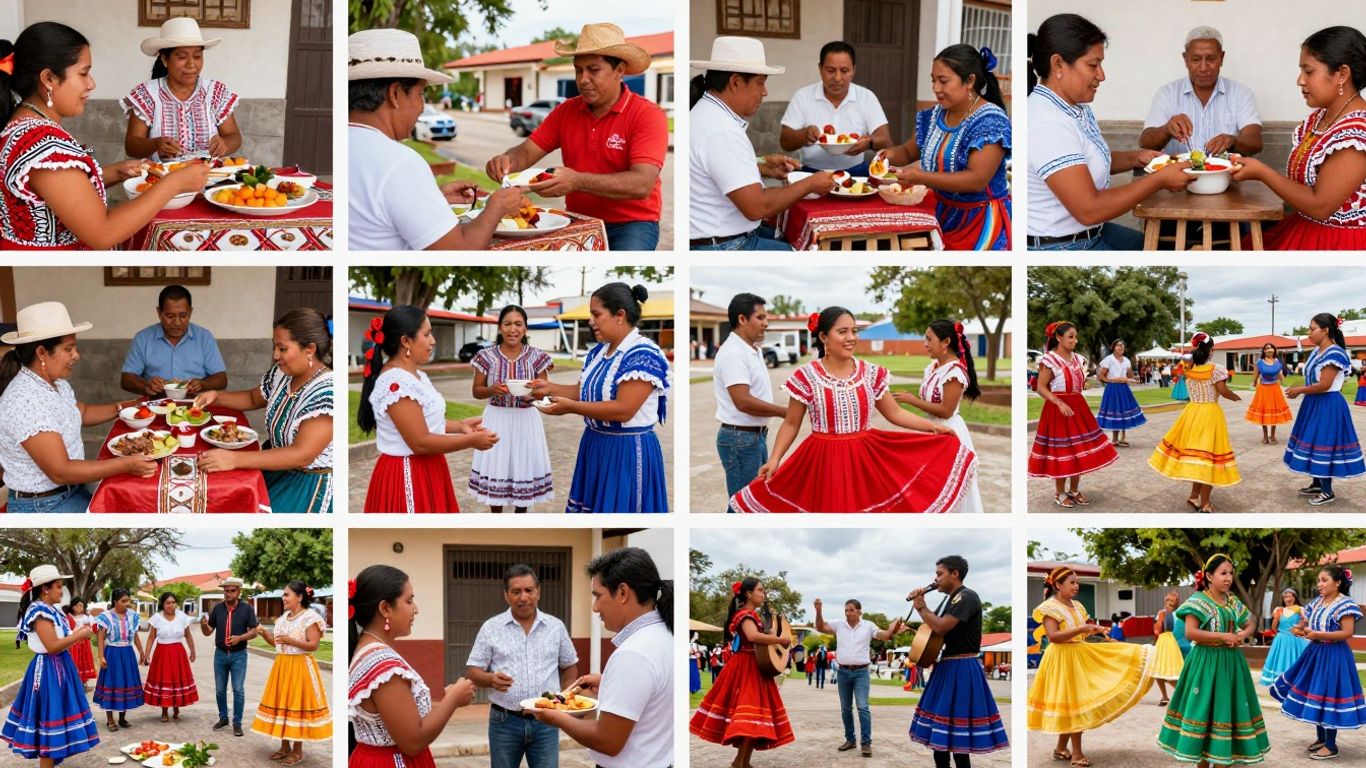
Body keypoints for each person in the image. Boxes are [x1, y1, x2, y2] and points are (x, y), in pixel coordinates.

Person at [730, 307, 974, 512]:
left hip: (865, 460)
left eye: (854, 331)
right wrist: (775, 459)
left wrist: (933, 428)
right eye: (843, 331)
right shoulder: (806, 376)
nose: (851, 337)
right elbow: (792, 423)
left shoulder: (871, 373)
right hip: (822, 461)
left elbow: (895, 413)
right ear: (824, 337)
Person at [0, 23, 210, 249]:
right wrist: (173, 184)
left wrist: (117, 172)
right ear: (49, 78)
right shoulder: (44, 146)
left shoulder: (24, 127)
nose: (91, 83)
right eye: (83, 73)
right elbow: (103, 233)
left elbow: (61, 191)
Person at [486, 23, 667, 251]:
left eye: (593, 70)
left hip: (632, 224)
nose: (583, 79)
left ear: (619, 70)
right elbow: (526, 152)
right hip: (578, 218)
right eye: (578, 70)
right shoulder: (566, 111)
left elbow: (642, 184)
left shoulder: (647, 115)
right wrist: (507, 161)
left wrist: (577, 181)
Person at [1026, 14, 1193, 250]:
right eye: (1093, 65)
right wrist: (1159, 180)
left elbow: (1084, 162)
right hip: (1063, 246)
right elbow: (1089, 210)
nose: (1101, 75)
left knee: (1164, 250)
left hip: (1091, 232)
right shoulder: (1048, 122)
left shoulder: (1074, 107)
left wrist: (1137, 158)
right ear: (1058, 64)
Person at [347, 28, 523, 250]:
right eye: (421, 94)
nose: (422, 107)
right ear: (395, 94)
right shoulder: (399, 162)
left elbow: (372, 212)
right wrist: (497, 208)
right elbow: (459, 251)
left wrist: (429, 199)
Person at [0, 302, 157, 512]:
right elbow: (60, 471)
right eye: (68, 349)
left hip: (71, 490)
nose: (76, 355)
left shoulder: (55, 384)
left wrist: (123, 407)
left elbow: (80, 412)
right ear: (41, 353)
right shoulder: (25, 401)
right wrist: (125, 464)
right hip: (45, 506)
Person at [531, 283, 670, 513]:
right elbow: (583, 392)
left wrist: (571, 408)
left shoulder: (644, 354)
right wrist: (547, 388)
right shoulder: (598, 352)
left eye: (596, 314)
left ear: (619, 315)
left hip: (626, 449)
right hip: (595, 443)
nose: (591, 321)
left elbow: (623, 410)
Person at [531, 548, 674, 768]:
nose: (595, 607)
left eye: (598, 596)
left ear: (623, 592)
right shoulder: (663, 636)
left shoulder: (632, 653)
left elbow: (607, 740)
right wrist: (609, 683)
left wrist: (555, 715)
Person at [689, 36, 834, 250]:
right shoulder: (720, 130)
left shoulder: (708, 114)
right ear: (735, 82)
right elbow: (757, 207)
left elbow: (718, 167)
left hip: (723, 237)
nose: (764, 92)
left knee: (796, 234)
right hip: (725, 245)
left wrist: (762, 166)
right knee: (812, 250)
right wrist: (810, 183)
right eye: (761, 83)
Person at [1229, 27, 1366, 250]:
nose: (1300, 80)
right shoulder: (1320, 118)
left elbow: (1320, 206)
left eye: (1309, 71)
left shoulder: (1357, 133)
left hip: (1338, 245)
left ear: (1342, 74)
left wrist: (1262, 173)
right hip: (1307, 228)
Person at [357, 306, 499, 512]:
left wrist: (460, 426)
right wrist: (471, 441)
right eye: (427, 334)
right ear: (406, 341)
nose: (433, 341)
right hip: (408, 473)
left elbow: (424, 423)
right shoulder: (396, 383)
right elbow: (420, 442)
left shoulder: (416, 376)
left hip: (428, 467)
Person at [191, 308, 334, 513]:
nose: (275, 355)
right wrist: (216, 396)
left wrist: (233, 459)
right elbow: (252, 398)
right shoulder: (282, 374)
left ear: (310, 349)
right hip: (276, 467)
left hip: (306, 487)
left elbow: (302, 455)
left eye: (282, 349)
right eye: (275, 347)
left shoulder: (327, 392)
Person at [877, 44, 1012, 250]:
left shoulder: (990, 122)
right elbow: (908, 151)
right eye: (933, 80)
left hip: (981, 221)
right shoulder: (935, 115)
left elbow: (976, 180)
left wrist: (922, 177)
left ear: (970, 81)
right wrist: (886, 155)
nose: (936, 88)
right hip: (941, 213)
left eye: (943, 81)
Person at [350, 564, 477, 768]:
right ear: (385, 608)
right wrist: (453, 699)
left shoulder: (369, 650)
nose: (415, 609)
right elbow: (412, 742)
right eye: (409, 601)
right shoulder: (383, 665)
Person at [1027, 566, 1154, 767]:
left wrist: (1094, 629)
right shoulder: (1049, 608)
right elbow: (1053, 636)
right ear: (1058, 585)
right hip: (1062, 658)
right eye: (1072, 582)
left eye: (1077, 582)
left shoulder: (1077, 605)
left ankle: (1061, 748)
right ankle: (1076, 753)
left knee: (1072, 704)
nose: (1076, 586)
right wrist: (1083, 628)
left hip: (1079, 653)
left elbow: (1081, 632)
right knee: (1075, 704)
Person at [1156, 554, 1269, 765]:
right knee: (1204, 712)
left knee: (1225, 712)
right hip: (1205, 662)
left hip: (1231, 663)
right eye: (1223, 573)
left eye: (1231, 573)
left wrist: (1242, 635)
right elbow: (1190, 632)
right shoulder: (1198, 601)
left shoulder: (1232, 601)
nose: (1228, 578)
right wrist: (1223, 636)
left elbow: (1252, 621)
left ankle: (1221, 760)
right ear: (1209, 576)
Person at [466, 564, 578, 768]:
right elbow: (473, 670)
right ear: (506, 595)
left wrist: (565, 698)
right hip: (504, 721)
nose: (523, 597)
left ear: (538, 592)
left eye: (529, 590)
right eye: (516, 591)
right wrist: (490, 679)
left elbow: (569, 665)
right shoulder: (491, 628)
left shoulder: (556, 627)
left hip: (547, 721)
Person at [908, 555, 1009, 765]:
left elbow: (941, 627)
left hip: (962, 667)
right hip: (947, 667)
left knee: (959, 744)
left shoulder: (966, 596)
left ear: (955, 574)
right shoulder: (949, 599)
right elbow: (934, 630)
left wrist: (921, 607)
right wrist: (920, 612)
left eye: (939, 574)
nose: (935, 579)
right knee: (940, 740)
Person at [0, 565, 99, 767]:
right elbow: (52, 646)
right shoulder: (39, 611)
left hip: (59, 667)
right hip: (49, 672)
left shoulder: (52, 610)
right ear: (45, 588)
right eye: (58, 586)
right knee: (49, 724)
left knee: (55, 722)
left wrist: (78, 633)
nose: (61, 591)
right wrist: (78, 636)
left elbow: (59, 640)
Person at [689, 577, 794, 766]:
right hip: (746, 668)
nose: (763, 594)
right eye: (760, 590)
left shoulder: (753, 615)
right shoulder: (744, 615)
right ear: (748, 593)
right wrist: (779, 640)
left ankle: (742, 762)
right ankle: (740, 762)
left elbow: (762, 636)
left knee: (756, 718)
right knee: (750, 718)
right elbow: (753, 636)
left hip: (755, 667)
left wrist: (773, 631)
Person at [1268, 565, 1366, 761]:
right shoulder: (1317, 602)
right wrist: (1300, 629)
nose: (1319, 584)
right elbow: (1305, 624)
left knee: (1329, 694)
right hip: (1316, 652)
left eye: (1324, 580)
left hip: (1334, 654)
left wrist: (1317, 634)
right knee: (1317, 693)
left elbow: (1347, 632)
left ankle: (1331, 745)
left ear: (1337, 583)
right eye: (1318, 580)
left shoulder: (1345, 604)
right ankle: (1322, 739)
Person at [893, 318, 986, 512]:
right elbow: (931, 403)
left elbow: (946, 410)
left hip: (949, 432)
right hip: (932, 430)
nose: (925, 344)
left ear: (946, 342)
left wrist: (911, 400)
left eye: (929, 339)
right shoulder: (933, 368)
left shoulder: (955, 372)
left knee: (950, 487)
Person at [469, 306, 555, 512]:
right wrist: (492, 389)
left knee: (522, 469)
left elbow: (544, 392)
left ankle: (520, 516)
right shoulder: (486, 356)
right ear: (500, 328)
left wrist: (532, 393)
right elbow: (477, 391)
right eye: (507, 324)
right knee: (496, 470)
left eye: (518, 324)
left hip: (526, 419)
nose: (513, 329)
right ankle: (496, 520)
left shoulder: (537, 357)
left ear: (525, 329)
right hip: (496, 418)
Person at [122, 17, 241, 162]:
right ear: (165, 59)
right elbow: (131, 146)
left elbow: (234, 136)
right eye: (182, 57)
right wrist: (156, 144)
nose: (191, 64)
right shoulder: (146, 94)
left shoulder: (215, 92)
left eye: (197, 56)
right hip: (162, 174)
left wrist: (224, 144)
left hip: (210, 173)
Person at [1148, 332, 1242, 512]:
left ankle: (1194, 496)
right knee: (1208, 459)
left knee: (1199, 458)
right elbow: (1223, 391)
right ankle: (1205, 503)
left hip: (1191, 413)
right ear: (1211, 350)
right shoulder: (1216, 369)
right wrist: (1235, 397)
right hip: (1209, 414)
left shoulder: (1188, 368)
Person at [1028, 321, 1119, 508]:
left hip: (1078, 407)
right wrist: (1059, 402)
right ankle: (1060, 492)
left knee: (1079, 450)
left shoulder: (1078, 359)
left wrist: (1082, 384)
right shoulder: (1049, 360)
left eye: (1076, 337)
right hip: (1058, 410)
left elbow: (1078, 383)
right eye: (1071, 337)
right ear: (1058, 337)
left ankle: (1074, 490)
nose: (1075, 341)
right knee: (1063, 451)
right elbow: (1041, 387)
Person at [1139, 26, 1263, 158]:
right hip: (1177, 170)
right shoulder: (1167, 94)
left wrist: (1232, 141)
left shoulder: (1241, 94)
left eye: (1211, 59)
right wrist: (1166, 130)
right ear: (1186, 59)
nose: (1203, 68)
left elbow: (1255, 142)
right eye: (1196, 59)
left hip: (1225, 170)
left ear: (1221, 58)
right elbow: (1145, 142)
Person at [1284, 313, 1364, 506]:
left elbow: (1325, 385)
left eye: (1312, 329)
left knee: (1323, 442)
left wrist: (1299, 390)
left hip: (1327, 404)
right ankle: (1317, 483)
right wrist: (1302, 390)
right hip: (1314, 403)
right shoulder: (1317, 351)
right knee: (1312, 441)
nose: (1309, 332)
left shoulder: (1334, 353)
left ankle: (1327, 491)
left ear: (1325, 330)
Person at [779, 41, 892, 175]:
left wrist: (869, 143)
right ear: (820, 69)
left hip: (856, 170)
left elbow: (886, 141)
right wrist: (804, 134)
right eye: (831, 71)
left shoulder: (866, 97)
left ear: (854, 70)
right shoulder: (802, 96)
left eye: (844, 71)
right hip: (811, 172)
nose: (838, 78)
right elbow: (785, 142)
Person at [713, 293, 787, 499]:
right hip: (740, 440)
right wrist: (784, 412)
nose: (766, 323)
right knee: (743, 505)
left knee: (756, 501)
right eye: (760, 317)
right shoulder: (733, 353)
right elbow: (743, 402)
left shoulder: (751, 350)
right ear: (742, 319)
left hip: (753, 437)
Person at [812, 597, 906, 758]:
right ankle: (850, 740)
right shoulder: (839, 625)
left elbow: (884, 635)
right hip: (843, 672)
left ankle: (866, 743)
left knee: (862, 707)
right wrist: (819, 610)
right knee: (846, 709)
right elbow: (820, 627)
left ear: (859, 611)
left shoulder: (868, 626)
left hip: (861, 673)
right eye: (846, 610)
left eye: (851, 610)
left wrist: (893, 629)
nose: (848, 613)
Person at [253, 581, 332, 765]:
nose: (283, 598)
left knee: (297, 706)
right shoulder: (283, 618)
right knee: (283, 705)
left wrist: (290, 640)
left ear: (300, 597)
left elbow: (313, 645)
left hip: (299, 667)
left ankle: (297, 750)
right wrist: (264, 633)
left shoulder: (310, 618)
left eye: (287, 594)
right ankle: (284, 747)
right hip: (282, 666)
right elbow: (277, 643)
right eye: (283, 594)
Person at [120, 285, 228, 399]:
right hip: (155, 404)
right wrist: (146, 386)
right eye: (170, 316)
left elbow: (221, 380)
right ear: (159, 312)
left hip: (196, 404)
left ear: (190, 312)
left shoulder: (204, 337)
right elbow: (126, 380)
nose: (177, 323)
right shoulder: (143, 338)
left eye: (183, 316)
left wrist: (202, 384)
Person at [199, 576, 259, 737]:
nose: (229, 593)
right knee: (220, 690)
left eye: (232, 590)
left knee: (238, 689)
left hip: (239, 655)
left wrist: (240, 638)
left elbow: (254, 631)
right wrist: (203, 625)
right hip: (220, 655)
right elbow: (208, 632)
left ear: (239, 591)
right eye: (226, 591)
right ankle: (223, 718)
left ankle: (237, 722)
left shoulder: (246, 609)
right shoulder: (218, 609)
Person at [94, 588, 145, 731]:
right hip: (112, 654)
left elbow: (135, 635)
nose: (127, 603)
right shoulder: (105, 617)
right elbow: (100, 637)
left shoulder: (132, 616)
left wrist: (141, 651)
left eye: (128, 600)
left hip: (127, 653)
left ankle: (122, 718)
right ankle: (110, 720)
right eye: (123, 601)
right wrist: (101, 656)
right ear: (115, 601)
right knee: (111, 684)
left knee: (126, 684)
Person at [142, 593, 197, 724]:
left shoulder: (182, 617)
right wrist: (147, 654)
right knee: (164, 680)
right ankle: (164, 711)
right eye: (168, 603)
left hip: (178, 653)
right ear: (163, 604)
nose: (171, 605)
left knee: (177, 680)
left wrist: (193, 651)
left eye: (173, 602)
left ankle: (177, 709)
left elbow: (188, 636)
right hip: (162, 653)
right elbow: (151, 638)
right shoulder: (157, 618)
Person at [1095, 339, 1145, 447]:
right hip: (1113, 388)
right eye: (1118, 345)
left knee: (1124, 411)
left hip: (1123, 388)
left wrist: (1131, 374)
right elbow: (1100, 376)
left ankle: (1122, 438)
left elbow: (1130, 376)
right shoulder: (1109, 359)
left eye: (1122, 346)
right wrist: (1111, 380)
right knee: (1115, 411)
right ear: (1113, 348)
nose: (1121, 347)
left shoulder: (1126, 360)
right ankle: (1114, 439)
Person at [1259, 587, 1308, 686]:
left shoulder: (1300, 609)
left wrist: (1298, 627)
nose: (1288, 599)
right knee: (1281, 659)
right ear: (1283, 599)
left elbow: (1305, 621)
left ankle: (1295, 681)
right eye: (1286, 597)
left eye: (1290, 596)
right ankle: (1280, 681)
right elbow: (1274, 625)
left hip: (1295, 639)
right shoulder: (1279, 609)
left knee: (1295, 658)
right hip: (1282, 639)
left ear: (1295, 597)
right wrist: (1278, 634)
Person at [1246, 343, 1293, 444]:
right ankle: (1265, 436)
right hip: (1263, 389)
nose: (1269, 349)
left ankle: (1272, 436)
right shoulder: (1259, 362)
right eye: (1267, 348)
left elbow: (1281, 376)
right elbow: (1255, 375)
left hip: (1275, 389)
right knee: (1263, 412)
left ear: (1274, 350)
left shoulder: (1277, 362)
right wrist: (1254, 383)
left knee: (1274, 412)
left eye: (1271, 348)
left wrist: (1284, 374)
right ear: (1264, 351)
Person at [1152, 590, 1185, 705]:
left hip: (1171, 643)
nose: (1169, 601)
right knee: (1159, 671)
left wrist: (1164, 614)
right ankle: (1165, 696)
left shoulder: (1177, 613)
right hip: (1165, 643)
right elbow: (1157, 631)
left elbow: (1159, 630)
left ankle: (1183, 695)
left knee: (1170, 673)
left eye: (1172, 599)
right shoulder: (1164, 613)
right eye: (1167, 599)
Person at [64, 597, 97, 688]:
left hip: (84, 643)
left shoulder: (86, 617)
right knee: (74, 661)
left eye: (82, 606)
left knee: (83, 661)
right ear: (73, 606)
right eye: (78, 605)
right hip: (73, 644)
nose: (80, 607)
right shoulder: (69, 617)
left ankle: (83, 683)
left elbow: (92, 629)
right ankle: (75, 682)